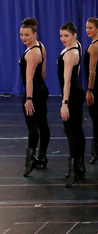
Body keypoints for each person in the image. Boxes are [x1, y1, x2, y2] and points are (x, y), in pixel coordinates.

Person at [19, 18, 50, 176]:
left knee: (33, 127)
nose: (24, 38)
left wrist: (29, 99)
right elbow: (43, 72)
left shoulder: (32, 53)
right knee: (42, 124)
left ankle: (30, 160)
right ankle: (42, 157)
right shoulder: (40, 46)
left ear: (35, 34)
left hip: (33, 92)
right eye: (22, 34)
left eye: (27, 35)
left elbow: (29, 78)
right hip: (40, 89)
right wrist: (41, 90)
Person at [58, 22, 86, 187]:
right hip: (76, 92)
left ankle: (75, 169)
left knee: (71, 131)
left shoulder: (71, 54)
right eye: (61, 36)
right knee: (76, 130)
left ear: (74, 35)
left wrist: (64, 103)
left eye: (66, 36)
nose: (63, 39)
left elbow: (67, 80)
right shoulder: (76, 46)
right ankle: (79, 166)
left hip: (72, 95)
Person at [84, 17, 98, 164]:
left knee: (95, 116)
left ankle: (96, 147)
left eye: (90, 28)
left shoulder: (95, 46)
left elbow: (92, 71)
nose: (87, 30)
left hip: (96, 84)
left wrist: (89, 89)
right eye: (86, 27)